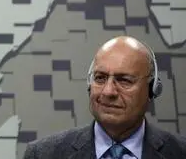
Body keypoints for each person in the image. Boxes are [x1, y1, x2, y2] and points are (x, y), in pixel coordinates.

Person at [23, 36, 186, 158]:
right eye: (100, 78)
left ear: (151, 89)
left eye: (124, 80)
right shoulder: (43, 155)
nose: (108, 92)